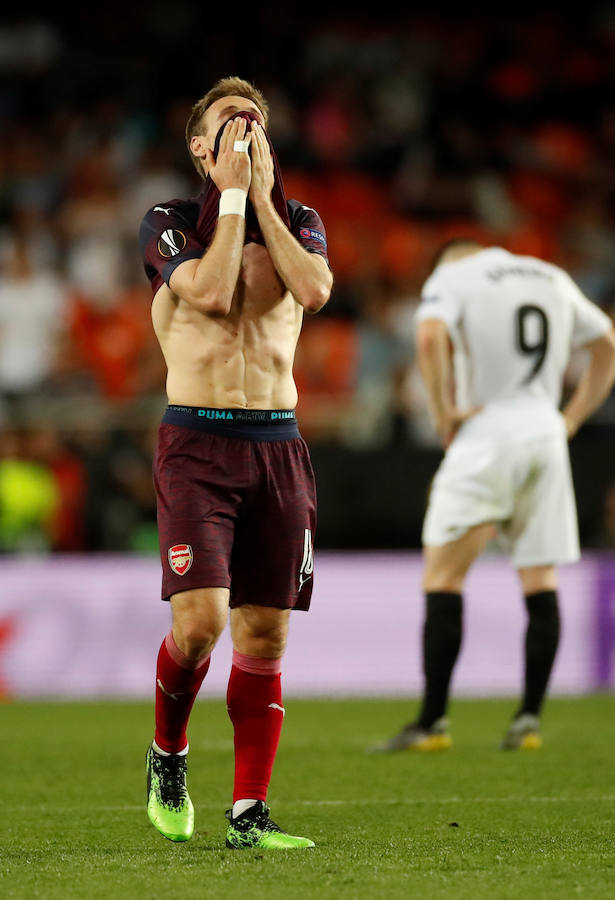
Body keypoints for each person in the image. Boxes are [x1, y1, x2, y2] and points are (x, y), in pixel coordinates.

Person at [138, 76, 332, 849]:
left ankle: (248, 813)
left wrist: (262, 198)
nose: (247, 131)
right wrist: (227, 197)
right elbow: (213, 295)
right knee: (200, 623)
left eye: (256, 122)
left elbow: (314, 290)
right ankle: (168, 756)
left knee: (265, 636)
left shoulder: (301, 223)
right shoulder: (167, 222)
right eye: (229, 123)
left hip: (277, 445)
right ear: (198, 147)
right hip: (197, 444)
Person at [372, 237, 615, 752]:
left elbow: (428, 338)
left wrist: (442, 413)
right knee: (540, 577)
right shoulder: (549, 276)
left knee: (444, 574)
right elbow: (612, 351)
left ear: (449, 261)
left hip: (487, 433)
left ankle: (433, 722)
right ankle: (528, 719)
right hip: (545, 434)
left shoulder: (453, 277)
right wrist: (571, 420)